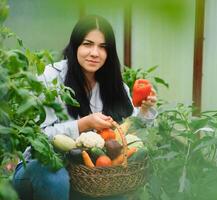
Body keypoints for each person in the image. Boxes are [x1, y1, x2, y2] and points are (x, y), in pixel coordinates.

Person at [12, 15, 157, 200]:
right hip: (40, 167)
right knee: (56, 178)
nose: (95, 53)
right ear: (75, 45)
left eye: (103, 47)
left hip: (87, 175)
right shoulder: (51, 77)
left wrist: (145, 110)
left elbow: (130, 130)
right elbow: (37, 136)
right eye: (88, 44)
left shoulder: (115, 84)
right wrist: (83, 124)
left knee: (112, 188)